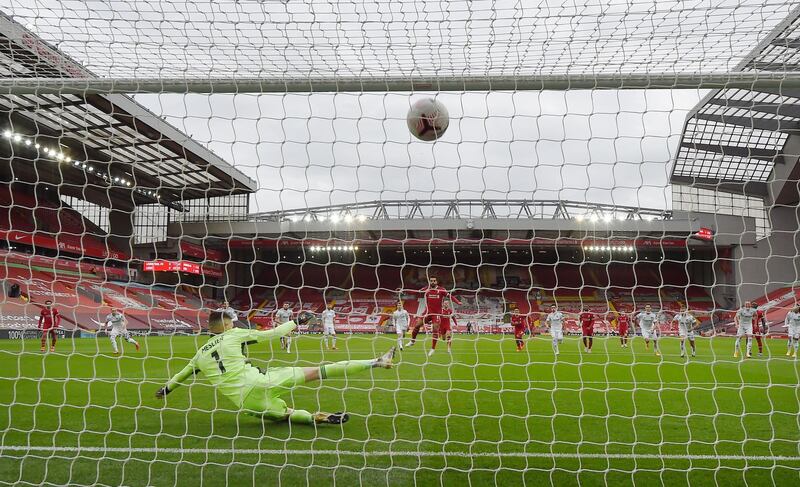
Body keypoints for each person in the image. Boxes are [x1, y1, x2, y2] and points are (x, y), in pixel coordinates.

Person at [156, 311, 396, 425]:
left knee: (287, 415)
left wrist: (165, 390)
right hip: (262, 381)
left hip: (246, 403)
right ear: (227, 324)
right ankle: (376, 362)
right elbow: (273, 333)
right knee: (321, 370)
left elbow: (180, 376)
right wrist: (297, 321)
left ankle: (316, 417)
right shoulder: (234, 334)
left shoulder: (199, 355)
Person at [407, 276, 461, 347]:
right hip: (427, 312)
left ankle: (433, 348)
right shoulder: (426, 289)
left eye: (434, 281)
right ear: (429, 281)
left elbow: (450, 296)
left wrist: (457, 302)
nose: (432, 282)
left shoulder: (441, 290)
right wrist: (404, 290)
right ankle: (412, 341)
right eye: (431, 281)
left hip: (436, 314)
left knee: (435, 330)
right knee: (417, 326)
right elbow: (416, 292)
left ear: (436, 282)